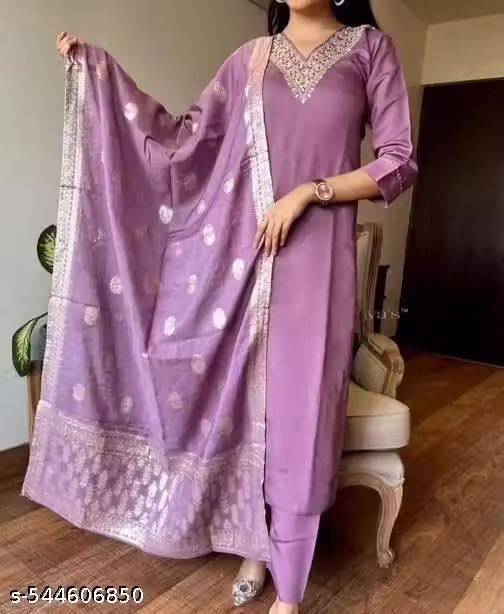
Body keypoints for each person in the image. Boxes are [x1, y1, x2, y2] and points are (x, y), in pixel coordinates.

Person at [24, 1, 416, 613]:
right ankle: (250, 543)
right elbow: (182, 142)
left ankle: (289, 592)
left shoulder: (369, 50)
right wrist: (100, 74)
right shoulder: (249, 61)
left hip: (318, 268)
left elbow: (398, 160)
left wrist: (309, 194)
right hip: (241, 267)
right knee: (241, 406)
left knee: (302, 418)